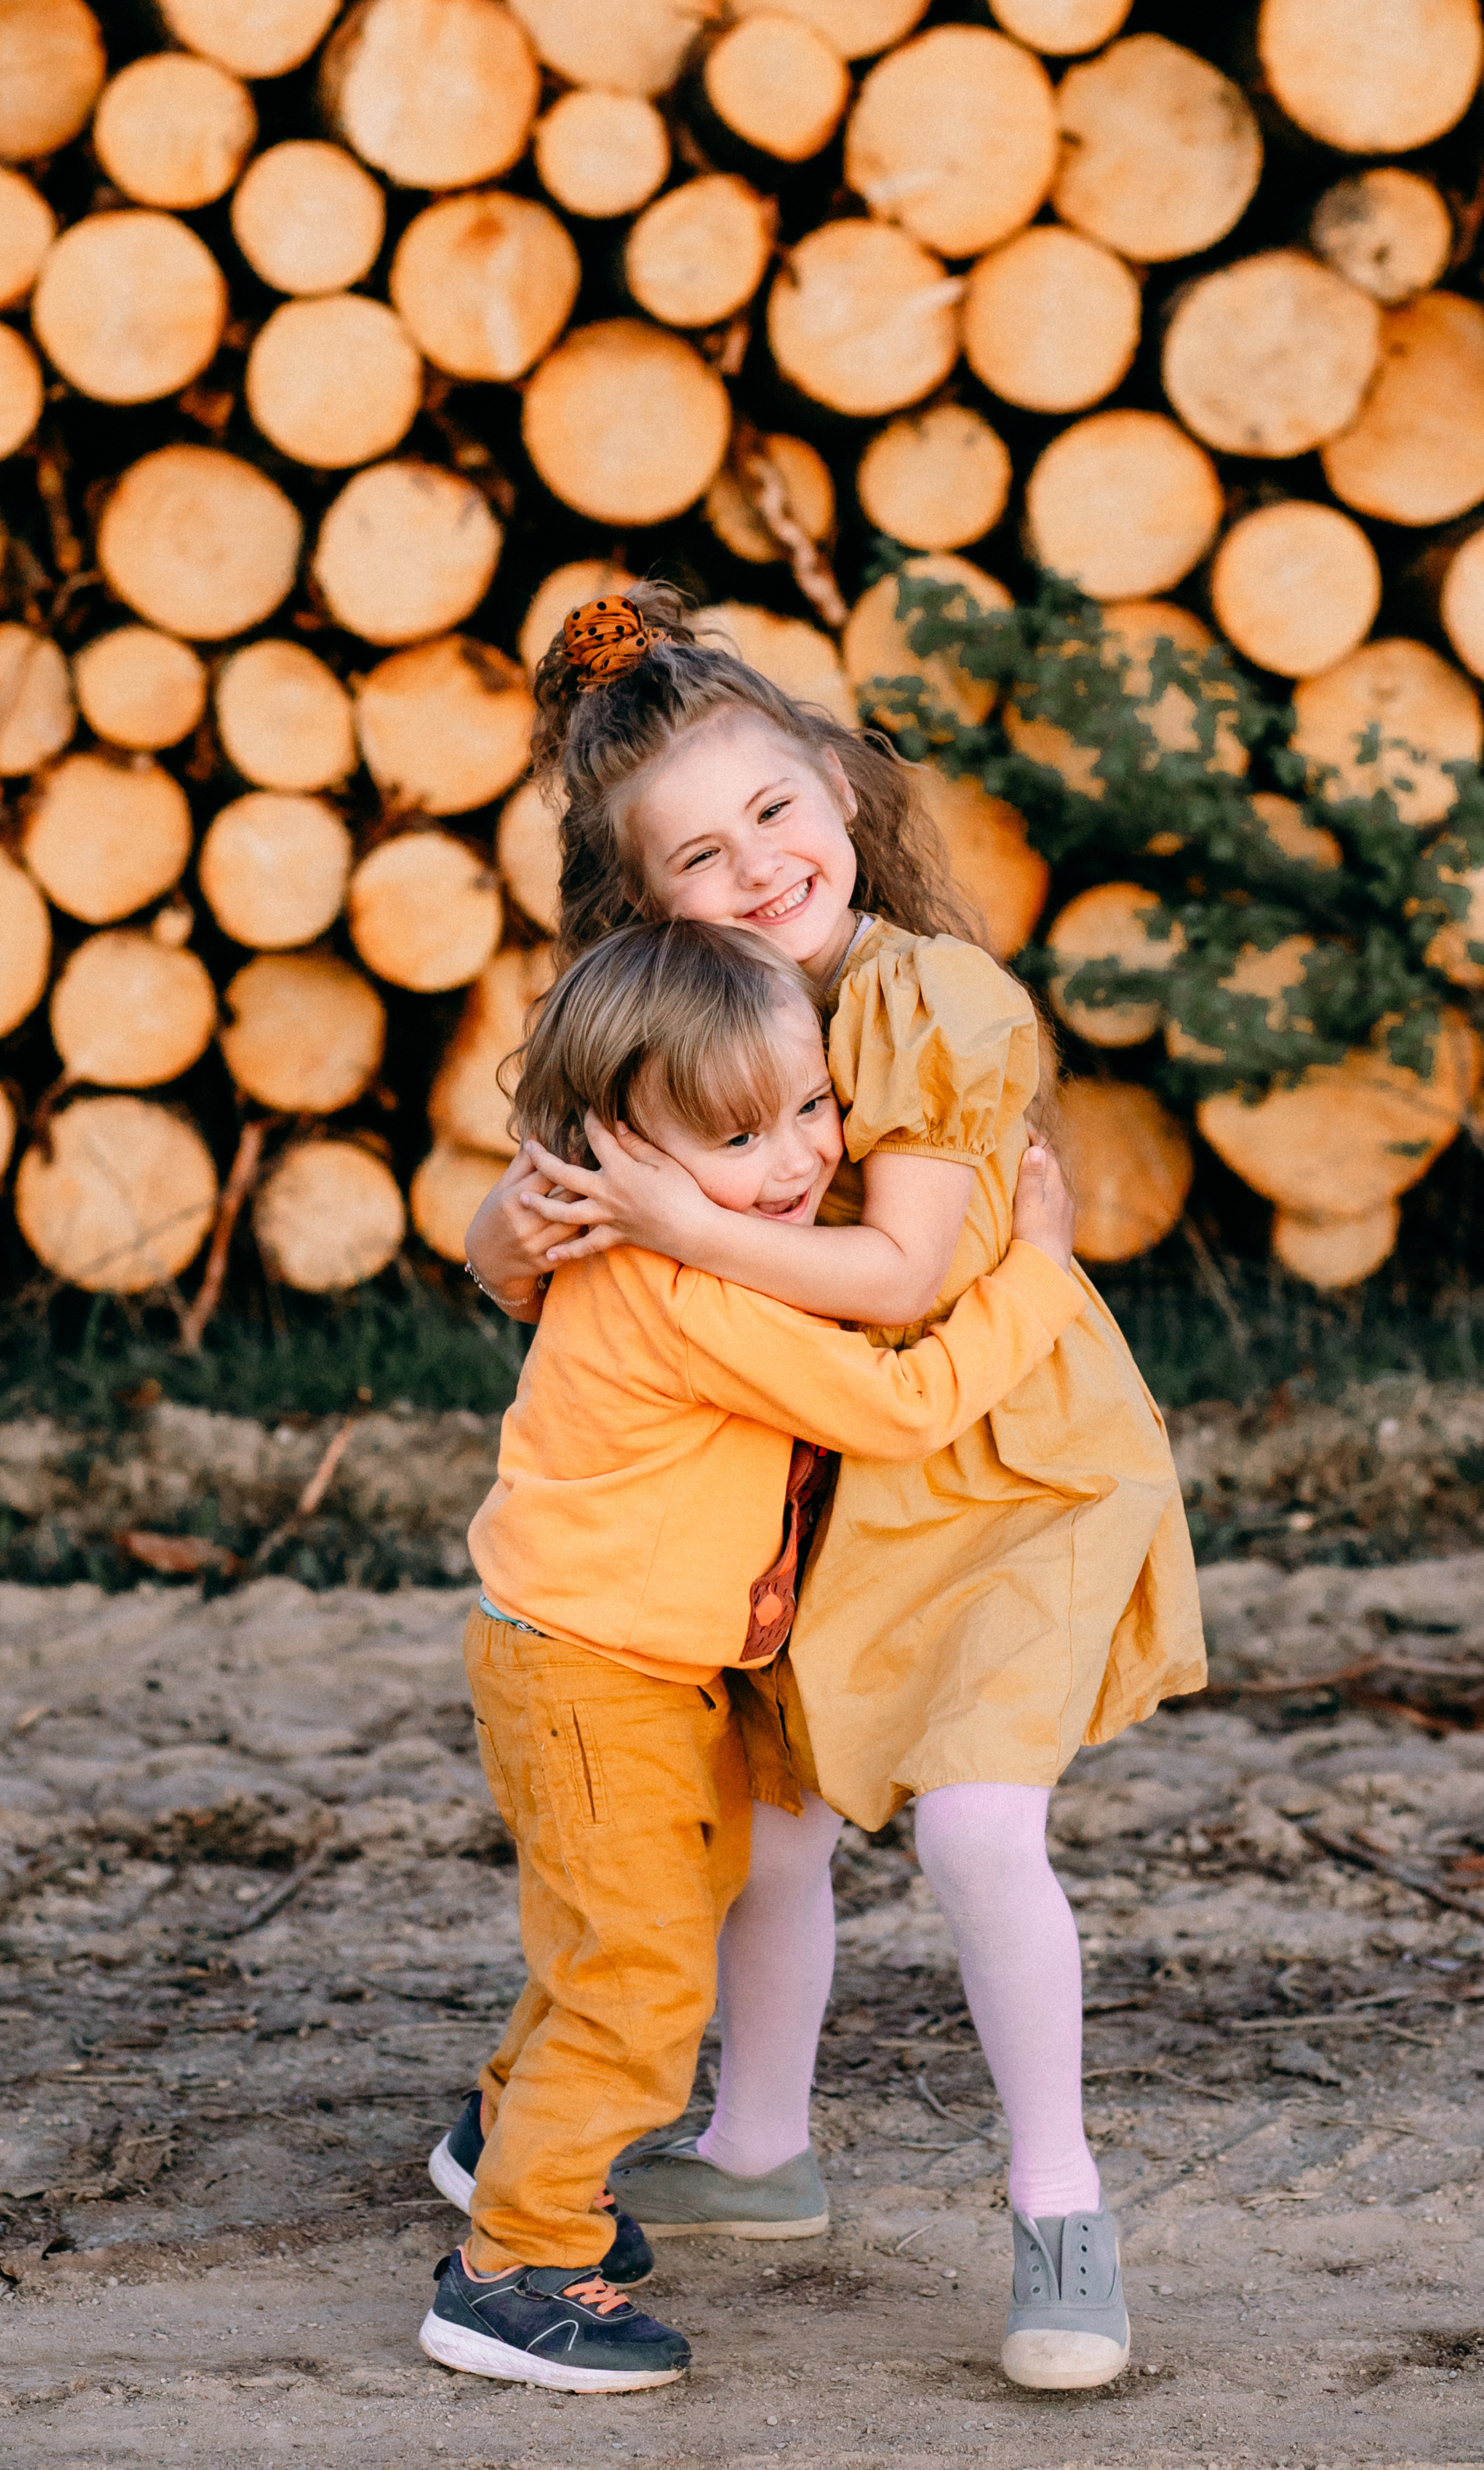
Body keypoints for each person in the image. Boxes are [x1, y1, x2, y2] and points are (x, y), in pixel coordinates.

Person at [463, 586, 1206, 2392]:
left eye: (778, 811)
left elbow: (895, 1281)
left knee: (970, 1827)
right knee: (772, 1830)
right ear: (651, 900)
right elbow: (549, 1253)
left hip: (994, 1453)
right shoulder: (686, 1019)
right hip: (818, 1472)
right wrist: (525, 1223)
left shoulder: (935, 997)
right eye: (704, 854)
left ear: (840, 787)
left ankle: (1059, 2210)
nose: (763, 866)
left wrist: (678, 1214)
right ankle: (753, 2149)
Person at [421, 914, 1088, 2394]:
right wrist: (1035, 1274)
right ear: (617, 1150)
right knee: (648, 1973)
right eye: (735, 1138)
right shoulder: (693, 1290)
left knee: (631, 1926)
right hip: (593, 1669)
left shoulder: (688, 1248)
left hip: (620, 1661)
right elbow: (897, 1407)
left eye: (808, 1108)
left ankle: (514, 2148)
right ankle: (514, 2269)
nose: (794, 1161)